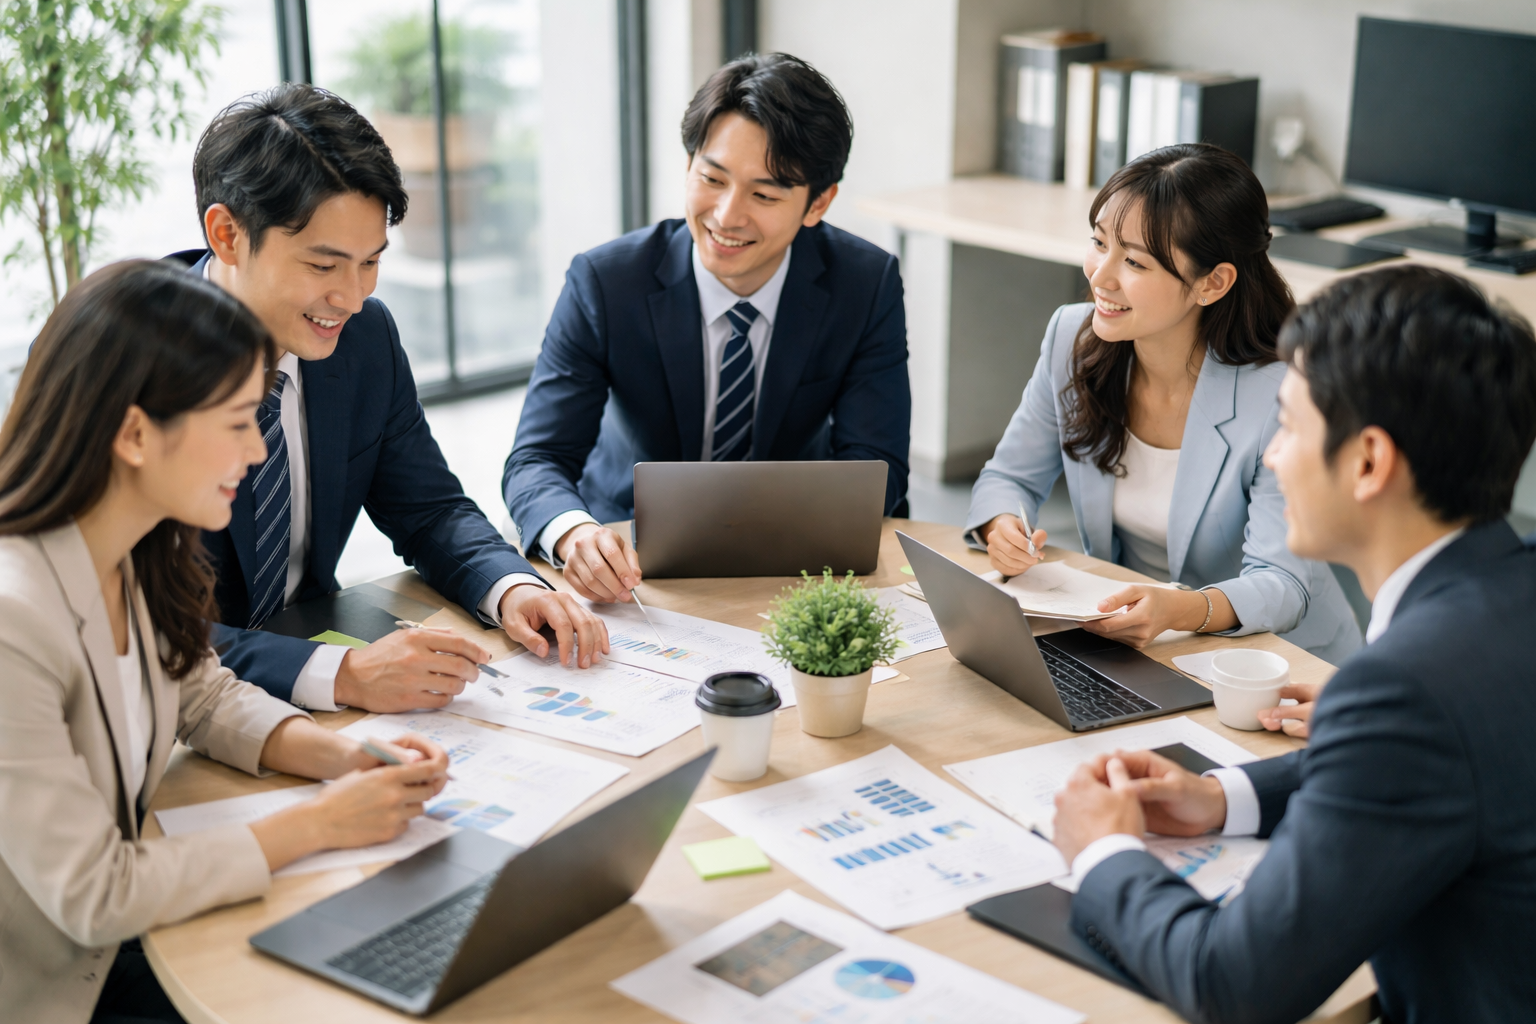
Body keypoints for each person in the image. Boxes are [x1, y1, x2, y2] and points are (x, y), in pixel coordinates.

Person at [1052, 265, 1536, 1023]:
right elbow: (1428, 763)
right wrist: (1222, 798)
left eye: (1288, 424)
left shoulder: (1409, 689)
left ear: (1368, 461)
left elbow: (1235, 986)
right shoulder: (1506, 596)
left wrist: (1101, 852)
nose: (1272, 456)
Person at [0, 261, 455, 1024]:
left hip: (141, 934)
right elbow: (93, 894)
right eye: (237, 421)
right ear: (137, 433)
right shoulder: (15, 620)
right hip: (58, 985)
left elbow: (199, 690)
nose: (257, 451)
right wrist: (319, 823)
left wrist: (342, 756)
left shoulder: (135, 548)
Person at [171, 84, 608, 715]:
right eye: (323, 267)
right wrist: (342, 673)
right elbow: (130, 632)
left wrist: (508, 586)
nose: (350, 297)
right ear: (227, 234)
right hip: (182, 714)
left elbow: (427, 509)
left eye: (370, 262)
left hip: (318, 675)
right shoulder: (133, 366)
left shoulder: (363, 338)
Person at [503, 53, 911, 604]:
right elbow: (537, 459)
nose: (726, 215)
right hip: (625, 560)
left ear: (819, 202)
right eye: (711, 178)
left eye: (764, 195)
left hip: (793, 560)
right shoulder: (606, 282)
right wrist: (574, 532)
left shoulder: (864, 283)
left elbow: (877, 465)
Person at [967, 144, 1360, 663]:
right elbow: (1008, 478)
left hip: (1274, 662)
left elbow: (1282, 583)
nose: (1101, 276)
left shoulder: (1282, 393)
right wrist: (1002, 529)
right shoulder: (1072, 337)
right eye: (1098, 243)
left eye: (1133, 261)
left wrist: (1178, 610)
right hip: (1134, 644)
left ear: (1212, 283)